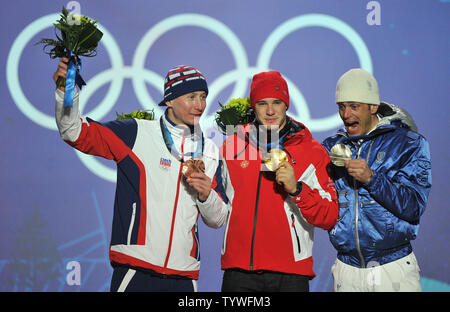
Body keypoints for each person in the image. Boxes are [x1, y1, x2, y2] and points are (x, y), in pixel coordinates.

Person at [53, 60, 230, 292]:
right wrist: (65, 91)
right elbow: (73, 131)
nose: (200, 105)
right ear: (169, 100)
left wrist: (206, 195)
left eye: (203, 96)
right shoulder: (136, 133)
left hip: (184, 276)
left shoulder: (210, 152)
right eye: (191, 97)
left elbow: (217, 220)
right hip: (135, 270)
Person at [219, 70, 339, 292]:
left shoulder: (311, 151)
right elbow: (216, 209)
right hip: (240, 274)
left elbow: (330, 215)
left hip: (290, 276)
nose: (271, 110)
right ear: (253, 106)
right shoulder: (232, 146)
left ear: (286, 105)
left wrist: (298, 189)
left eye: (277, 102)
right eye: (262, 103)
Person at [322, 68, 432, 292]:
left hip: (392, 268)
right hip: (346, 268)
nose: (345, 114)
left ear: (373, 107)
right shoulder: (330, 147)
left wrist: (372, 178)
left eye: (354, 106)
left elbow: (413, 206)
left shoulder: (408, 143)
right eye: (341, 106)